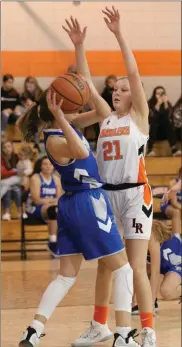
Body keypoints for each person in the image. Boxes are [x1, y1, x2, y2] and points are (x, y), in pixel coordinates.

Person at [63, 7, 156, 347]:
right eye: (114, 88)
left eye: (123, 88)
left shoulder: (139, 118)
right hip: (106, 195)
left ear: (135, 93)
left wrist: (118, 35)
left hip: (135, 195)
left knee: (133, 265)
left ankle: (146, 330)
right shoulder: (106, 118)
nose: (117, 92)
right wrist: (79, 47)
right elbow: (86, 85)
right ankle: (99, 326)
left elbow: (133, 71)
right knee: (105, 266)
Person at [17, 89, 140, 347]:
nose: (77, 107)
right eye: (72, 104)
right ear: (57, 112)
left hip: (74, 204)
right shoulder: (54, 140)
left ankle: (33, 330)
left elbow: (105, 113)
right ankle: (124, 335)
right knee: (123, 268)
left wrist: (85, 90)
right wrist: (62, 117)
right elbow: (81, 153)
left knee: (66, 277)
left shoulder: (67, 125)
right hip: (87, 202)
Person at [25, 155, 62, 252]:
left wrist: (49, 201)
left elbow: (59, 198)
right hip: (33, 208)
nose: (48, 166)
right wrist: (52, 201)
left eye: (50, 164)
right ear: (41, 166)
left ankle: (55, 241)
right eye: (45, 164)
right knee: (54, 210)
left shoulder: (56, 179)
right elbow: (37, 200)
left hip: (51, 209)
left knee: (58, 210)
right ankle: (53, 243)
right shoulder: (35, 178)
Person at [147, 86, 181, 157]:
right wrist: (158, 104)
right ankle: (150, 149)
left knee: (167, 122)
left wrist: (165, 104)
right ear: (154, 94)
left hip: (165, 132)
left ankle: (174, 149)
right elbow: (151, 119)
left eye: (162, 93)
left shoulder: (167, 104)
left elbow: (170, 118)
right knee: (154, 123)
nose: (160, 95)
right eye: (158, 93)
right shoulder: (150, 104)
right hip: (153, 132)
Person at [1, 140, 21, 220]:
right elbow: (3, 173)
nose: (7, 149)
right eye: (4, 147)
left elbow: (22, 171)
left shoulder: (18, 157)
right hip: (5, 183)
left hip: (15, 182)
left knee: (15, 189)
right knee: (8, 189)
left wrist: (13, 172)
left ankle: (20, 212)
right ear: (2, 149)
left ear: (12, 147)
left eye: (9, 146)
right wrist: (14, 171)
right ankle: (6, 213)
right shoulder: (1, 159)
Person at [161, 167, 182, 234]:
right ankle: (176, 239)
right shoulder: (173, 184)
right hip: (168, 205)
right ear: (179, 174)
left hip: (180, 207)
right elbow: (174, 203)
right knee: (176, 212)